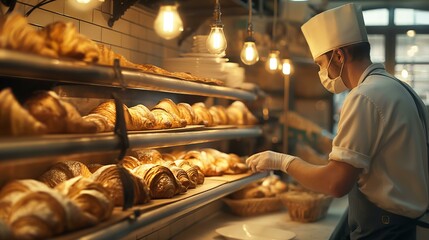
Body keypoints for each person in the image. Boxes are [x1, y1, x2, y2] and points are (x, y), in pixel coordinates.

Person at [246, 3, 429, 240]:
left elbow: (335, 184)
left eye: (321, 64)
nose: (322, 72)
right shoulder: (399, 88)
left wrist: (282, 161)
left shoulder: (364, 95)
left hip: (383, 230)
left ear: (339, 55)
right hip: (401, 227)